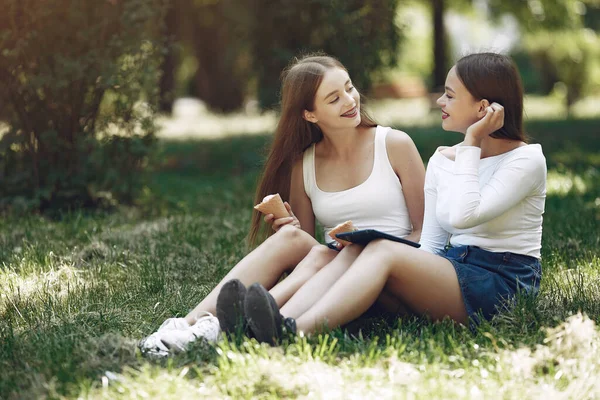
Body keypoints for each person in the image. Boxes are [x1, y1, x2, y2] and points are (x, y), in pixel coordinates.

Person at [235, 52, 547, 342]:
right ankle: (264, 320)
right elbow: (432, 246)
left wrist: (473, 141)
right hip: (455, 270)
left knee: (381, 249)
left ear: (482, 108)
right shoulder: (444, 159)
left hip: (504, 282)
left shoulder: (526, 160)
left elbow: (464, 215)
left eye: (450, 95)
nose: (440, 100)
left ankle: (292, 332)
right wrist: (368, 252)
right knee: (361, 249)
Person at [138, 54, 425, 356]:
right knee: (289, 238)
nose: (350, 101)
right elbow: (311, 249)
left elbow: (426, 234)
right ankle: (189, 325)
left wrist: (368, 247)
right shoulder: (305, 164)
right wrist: (292, 227)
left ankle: (241, 323)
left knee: (342, 254)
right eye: (334, 98)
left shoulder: (395, 144)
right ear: (310, 115)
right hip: (334, 272)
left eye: (349, 88)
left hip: (393, 275)